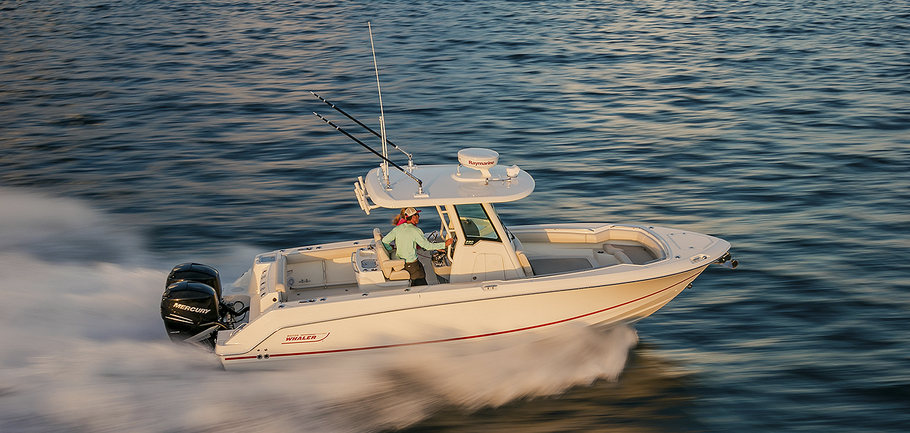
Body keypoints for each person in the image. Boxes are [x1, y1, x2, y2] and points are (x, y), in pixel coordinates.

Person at [381, 207, 454, 286]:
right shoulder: (415, 230)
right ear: (413, 217)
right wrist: (445, 244)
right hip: (411, 265)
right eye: (417, 215)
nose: (419, 216)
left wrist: (390, 248)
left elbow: (385, 241)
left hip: (402, 263)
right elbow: (426, 246)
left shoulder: (397, 228)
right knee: (421, 284)